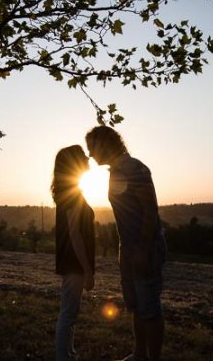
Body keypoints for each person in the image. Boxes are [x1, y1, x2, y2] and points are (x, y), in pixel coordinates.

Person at [85, 126, 166, 361]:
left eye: (92, 148)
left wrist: (142, 249)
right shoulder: (116, 171)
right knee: (136, 305)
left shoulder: (135, 168)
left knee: (149, 307)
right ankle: (139, 354)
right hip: (129, 248)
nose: (90, 155)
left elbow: (150, 211)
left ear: (104, 144)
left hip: (145, 247)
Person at [52, 145, 96, 361]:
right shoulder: (73, 194)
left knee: (70, 311)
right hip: (74, 263)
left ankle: (69, 354)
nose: (88, 159)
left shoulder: (69, 191)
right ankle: (64, 357)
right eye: (83, 156)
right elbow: (75, 233)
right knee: (68, 314)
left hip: (71, 261)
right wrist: (87, 269)